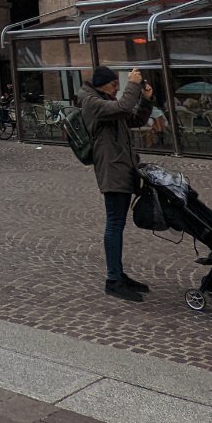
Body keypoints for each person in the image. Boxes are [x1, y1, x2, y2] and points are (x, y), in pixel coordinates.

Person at [77, 66, 154, 303]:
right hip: (112, 170)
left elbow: (134, 118)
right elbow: (122, 107)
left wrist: (146, 100)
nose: (117, 88)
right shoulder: (91, 102)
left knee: (117, 224)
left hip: (121, 167)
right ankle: (113, 280)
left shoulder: (104, 100)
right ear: (102, 84)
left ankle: (118, 274)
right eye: (114, 85)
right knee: (114, 224)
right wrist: (132, 85)